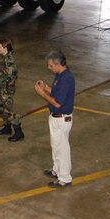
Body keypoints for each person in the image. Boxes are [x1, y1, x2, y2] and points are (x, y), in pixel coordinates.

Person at [34, 50, 75, 188]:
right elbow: (56, 93)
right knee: (56, 145)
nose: (49, 67)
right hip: (55, 118)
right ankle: (57, 170)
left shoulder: (66, 79)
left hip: (61, 119)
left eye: (51, 65)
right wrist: (46, 87)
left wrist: (42, 93)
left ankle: (65, 178)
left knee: (62, 149)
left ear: (58, 64)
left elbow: (57, 103)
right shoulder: (60, 76)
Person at [0, 39, 23, 142]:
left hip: (6, 90)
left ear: (5, 48)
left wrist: (4, 86)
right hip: (1, 89)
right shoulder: (4, 58)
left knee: (8, 111)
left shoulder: (10, 61)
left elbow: (12, 76)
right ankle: (7, 127)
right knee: (1, 109)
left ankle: (18, 131)